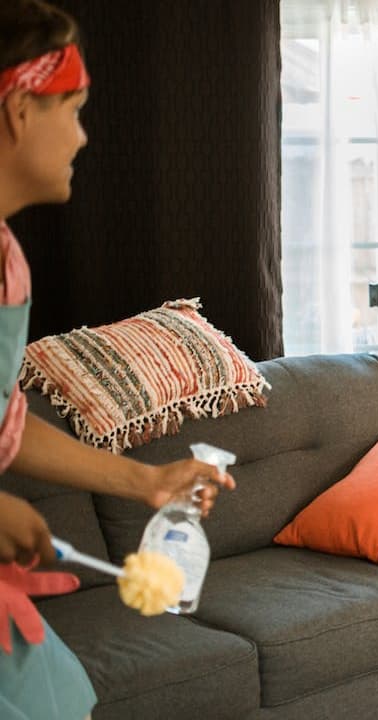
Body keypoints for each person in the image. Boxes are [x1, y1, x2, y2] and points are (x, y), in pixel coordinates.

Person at [0, 2, 235, 717]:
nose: (82, 136)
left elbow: (5, 420)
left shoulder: (8, 262)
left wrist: (145, 479)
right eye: (72, 109)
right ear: (17, 109)